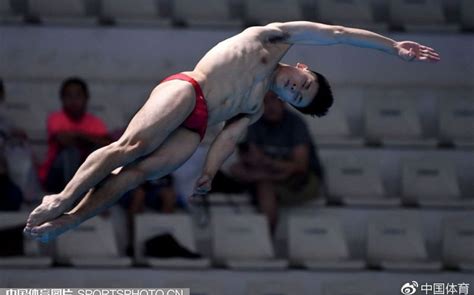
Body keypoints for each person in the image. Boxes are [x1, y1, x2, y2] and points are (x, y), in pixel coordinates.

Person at [24, 21, 440, 242]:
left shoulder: (257, 107)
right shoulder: (272, 37)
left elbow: (227, 137)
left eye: (298, 98)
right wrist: (392, 47)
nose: (296, 90)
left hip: (199, 126)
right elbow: (338, 34)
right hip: (189, 88)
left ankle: (71, 220)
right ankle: (62, 197)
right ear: (304, 68)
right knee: (130, 148)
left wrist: (208, 171)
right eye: (304, 85)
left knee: (136, 176)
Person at [229, 91, 324, 233]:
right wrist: (258, 162)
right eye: (265, 102)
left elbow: (300, 166)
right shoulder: (255, 123)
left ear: (283, 102)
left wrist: (266, 162)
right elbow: (250, 159)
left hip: (299, 179)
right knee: (235, 169)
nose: (270, 106)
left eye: (273, 100)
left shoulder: (296, 124)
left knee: (264, 186)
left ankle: (267, 236)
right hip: (270, 173)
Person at [38, 77, 112, 193]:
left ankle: (94, 195)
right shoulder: (56, 118)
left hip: (84, 175)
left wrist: (78, 135)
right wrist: (90, 139)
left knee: (99, 152)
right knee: (71, 152)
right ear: (62, 99)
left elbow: (108, 144)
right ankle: (71, 197)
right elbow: (65, 141)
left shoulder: (95, 122)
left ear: (86, 98)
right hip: (56, 177)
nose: (73, 100)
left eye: (78, 96)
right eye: (69, 96)